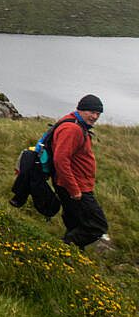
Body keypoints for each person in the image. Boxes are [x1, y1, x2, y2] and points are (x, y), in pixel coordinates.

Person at [51, 94, 109, 249]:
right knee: (97, 226)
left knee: (76, 222)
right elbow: (60, 160)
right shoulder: (72, 129)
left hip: (72, 185)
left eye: (98, 114)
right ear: (81, 109)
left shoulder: (74, 122)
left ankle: (71, 257)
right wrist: (74, 189)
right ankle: (63, 248)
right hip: (76, 188)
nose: (95, 117)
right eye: (92, 112)